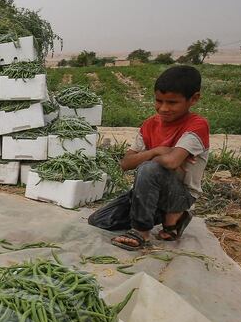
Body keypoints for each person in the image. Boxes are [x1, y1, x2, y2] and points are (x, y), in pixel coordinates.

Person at [87, 65, 209, 250]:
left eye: (172, 102)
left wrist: (149, 159)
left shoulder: (197, 125)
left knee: (149, 168)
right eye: (159, 101)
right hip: (149, 191)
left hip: (180, 195)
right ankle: (174, 218)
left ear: (194, 99)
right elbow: (125, 163)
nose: (163, 108)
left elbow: (171, 161)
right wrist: (156, 151)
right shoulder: (150, 125)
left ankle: (141, 232)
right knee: (100, 220)